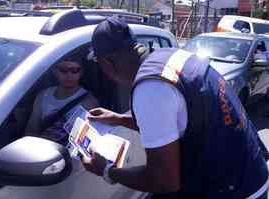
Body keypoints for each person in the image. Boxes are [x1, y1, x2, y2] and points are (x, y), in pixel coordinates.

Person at [81, 17, 269, 198]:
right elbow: (177, 121)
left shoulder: (151, 89)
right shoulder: (170, 56)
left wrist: (107, 171)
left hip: (236, 189)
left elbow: (164, 181)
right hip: (250, 168)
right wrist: (118, 119)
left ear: (107, 63)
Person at [25, 61, 98, 145]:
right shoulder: (43, 95)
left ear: (81, 72)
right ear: (55, 71)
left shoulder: (89, 101)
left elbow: (86, 140)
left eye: (74, 70)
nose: (69, 75)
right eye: (63, 70)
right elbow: (31, 129)